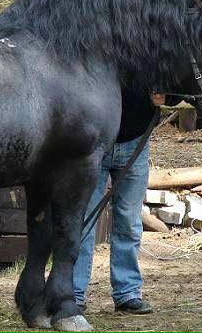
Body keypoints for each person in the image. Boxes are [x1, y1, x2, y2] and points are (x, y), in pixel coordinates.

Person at [72, 85, 167, 314]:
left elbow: (176, 72)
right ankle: (72, 293)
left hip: (136, 141)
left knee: (129, 221)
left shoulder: (149, 50)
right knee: (83, 220)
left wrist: (167, 96)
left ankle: (127, 293)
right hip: (95, 141)